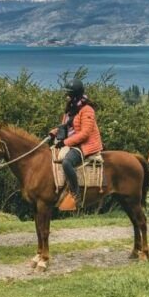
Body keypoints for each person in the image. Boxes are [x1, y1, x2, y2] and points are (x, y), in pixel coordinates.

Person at [51, 79, 103, 210]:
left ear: (75, 95)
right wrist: (54, 133)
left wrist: (65, 142)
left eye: (68, 94)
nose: (66, 97)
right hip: (72, 143)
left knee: (67, 162)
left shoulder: (87, 110)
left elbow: (85, 133)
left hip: (84, 145)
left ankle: (76, 195)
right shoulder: (70, 109)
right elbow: (66, 126)